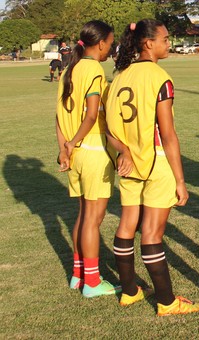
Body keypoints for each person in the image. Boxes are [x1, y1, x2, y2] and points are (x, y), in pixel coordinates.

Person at [106, 19, 199, 316]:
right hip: (157, 161)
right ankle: (166, 301)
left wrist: (124, 151)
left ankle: (129, 291)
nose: (168, 43)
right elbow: (168, 134)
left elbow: (109, 130)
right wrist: (180, 179)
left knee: (126, 225)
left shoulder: (119, 77)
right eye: (164, 38)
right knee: (151, 232)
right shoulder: (160, 77)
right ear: (148, 43)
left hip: (128, 163)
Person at [55, 20, 119, 298]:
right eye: (110, 42)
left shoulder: (70, 69)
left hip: (76, 153)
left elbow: (58, 117)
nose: (111, 48)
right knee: (93, 218)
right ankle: (92, 283)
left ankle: (78, 274)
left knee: (83, 214)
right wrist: (75, 141)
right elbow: (91, 115)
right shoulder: (93, 69)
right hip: (92, 149)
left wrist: (65, 148)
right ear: (101, 43)